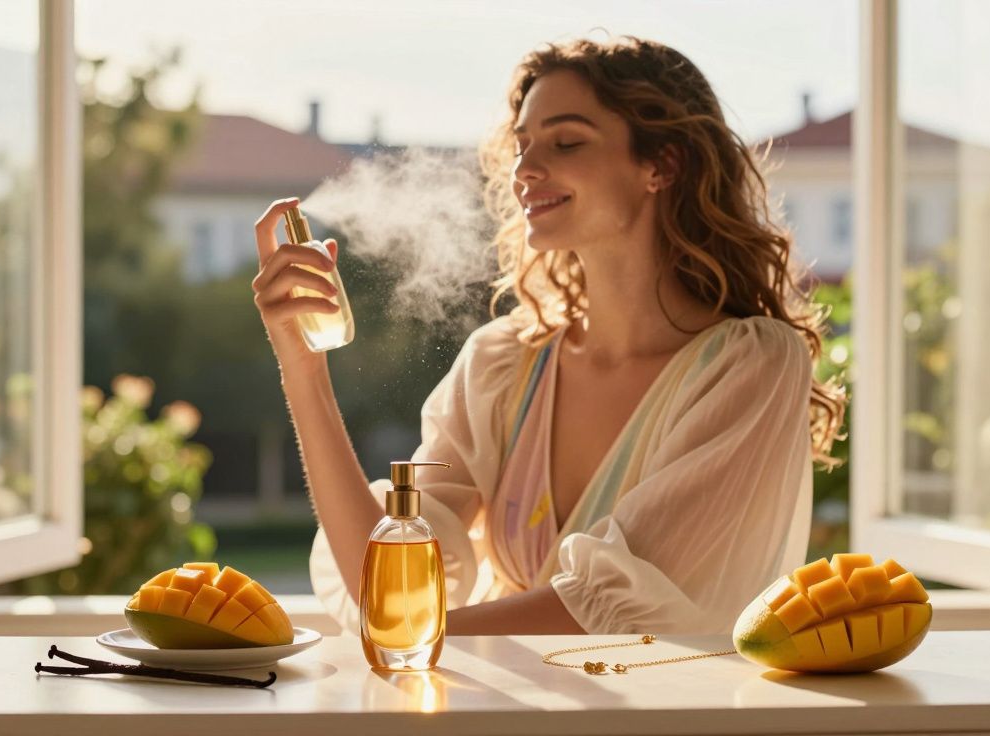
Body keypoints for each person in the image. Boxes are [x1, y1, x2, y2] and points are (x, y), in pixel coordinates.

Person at [250, 36, 845, 635]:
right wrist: (303, 371)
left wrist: (409, 637)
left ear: (662, 165)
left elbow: (615, 611)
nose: (525, 171)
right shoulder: (504, 363)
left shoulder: (751, 366)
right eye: (521, 146)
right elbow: (383, 585)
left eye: (566, 142)